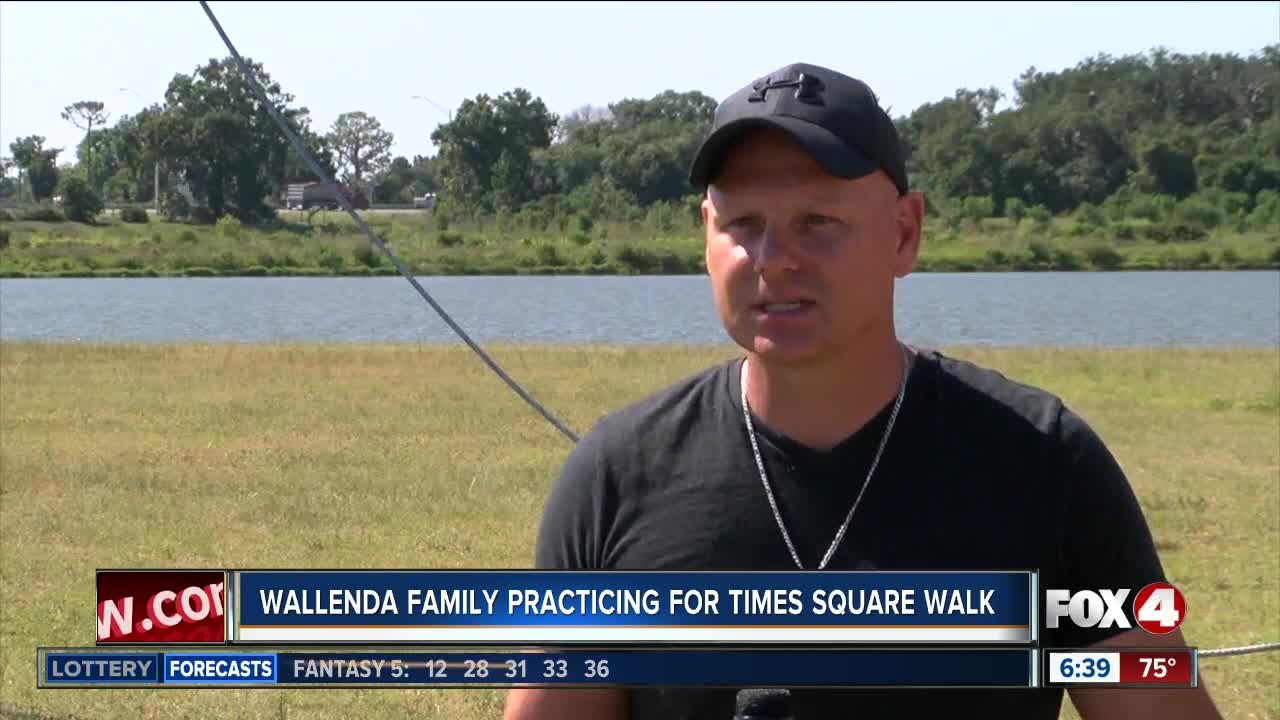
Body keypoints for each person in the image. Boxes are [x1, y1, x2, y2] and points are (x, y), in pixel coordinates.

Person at [504, 62, 1221, 720]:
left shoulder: (1043, 465)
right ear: (706, 236)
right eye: (743, 224)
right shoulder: (617, 476)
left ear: (905, 234)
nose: (773, 260)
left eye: (818, 223)